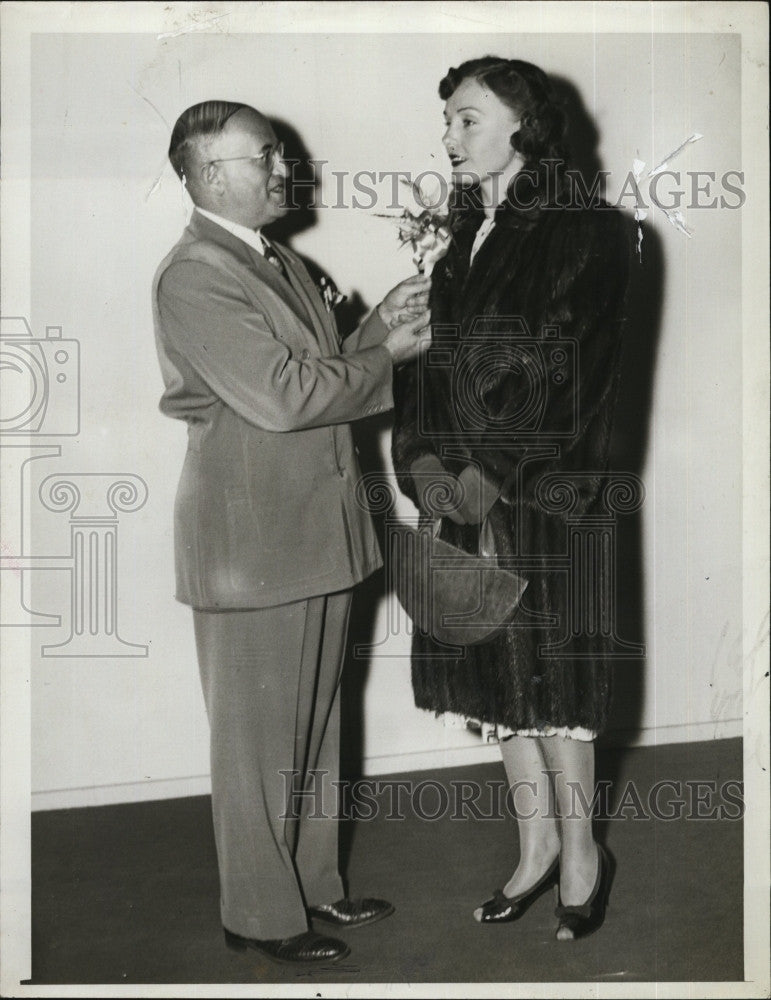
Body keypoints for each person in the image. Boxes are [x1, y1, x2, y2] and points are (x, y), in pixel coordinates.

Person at [152, 100, 430, 966]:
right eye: (261, 158)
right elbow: (282, 398)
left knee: (312, 725)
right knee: (256, 743)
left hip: (310, 533)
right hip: (252, 543)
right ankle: (261, 915)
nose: (282, 170)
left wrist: (378, 323)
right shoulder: (196, 272)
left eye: (276, 153)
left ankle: (315, 888)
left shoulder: (268, 257)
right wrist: (387, 358)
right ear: (206, 177)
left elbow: (315, 368)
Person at [392, 58, 632, 940]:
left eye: (466, 121)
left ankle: (582, 859)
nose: (448, 139)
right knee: (499, 686)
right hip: (455, 494)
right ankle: (533, 851)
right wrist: (417, 461)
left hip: (543, 497)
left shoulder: (588, 231)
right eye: (447, 123)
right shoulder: (463, 234)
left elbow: (570, 369)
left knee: (556, 685)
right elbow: (424, 366)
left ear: (522, 125)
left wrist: (488, 471)